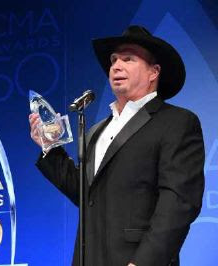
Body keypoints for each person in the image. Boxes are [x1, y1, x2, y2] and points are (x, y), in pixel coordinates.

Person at [29, 25, 205, 266]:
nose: (116, 66)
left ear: (154, 72)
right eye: (113, 60)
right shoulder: (97, 130)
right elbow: (85, 194)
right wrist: (50, 147)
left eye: (128, 59)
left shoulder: (177, 122)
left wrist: (143, 263)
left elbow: (179, 203)